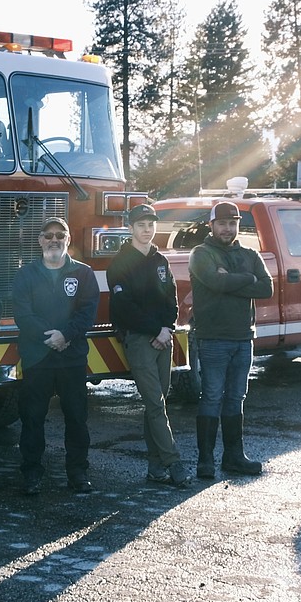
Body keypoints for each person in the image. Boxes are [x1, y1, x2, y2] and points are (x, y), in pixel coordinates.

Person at [12, 217, 99, 494]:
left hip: (71, 357)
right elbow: (22, 314)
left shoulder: (84, 274)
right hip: (37, 357)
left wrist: (66, 335)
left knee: (76, 418)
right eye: (48, 235)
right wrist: (50, 338)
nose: (54, 240)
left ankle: (78, 473)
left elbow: (87, 313)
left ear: (68, 239)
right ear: (39, 240)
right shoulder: (25, 274)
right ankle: (31, 474)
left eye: (60, 235)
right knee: (32, 418)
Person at [189, 200, 273, 478]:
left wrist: (237, 279)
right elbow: (215, 283)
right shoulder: (201, 253)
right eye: (222, 223)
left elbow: (267, 288)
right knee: (212, 396)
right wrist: (247, 279)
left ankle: (234, 457)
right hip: (213, 338)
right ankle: (206, 461)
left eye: (233, 223)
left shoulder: (250, 254)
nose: (228, 228)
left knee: (236, 397)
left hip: (243, 338)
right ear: (211, 225)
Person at [108, 203, 189, 488]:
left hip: (163, 337)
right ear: (131, 228)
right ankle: (173, 461)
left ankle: (155, 468)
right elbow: (123, 307)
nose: (147, 229)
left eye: (151, 224)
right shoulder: (120, 263)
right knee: (154, 402)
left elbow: (172, 299)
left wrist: (168, 328)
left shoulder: (160, 261)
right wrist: (156, 329)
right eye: (141, 224)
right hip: (139, 339)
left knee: (158, 402)